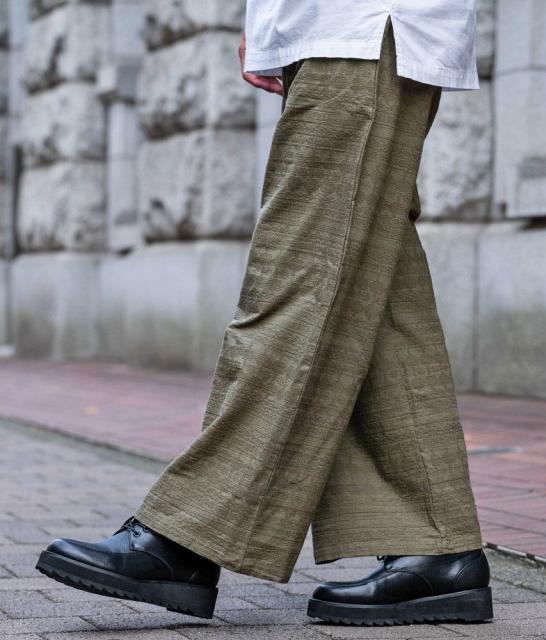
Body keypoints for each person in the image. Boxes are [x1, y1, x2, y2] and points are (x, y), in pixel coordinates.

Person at [35, 0, 492, 626]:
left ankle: (190, 533)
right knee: (380, 292)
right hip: (339, 33)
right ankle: (437, 549)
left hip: (362, 31)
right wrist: (268, 21)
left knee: (297, 279)